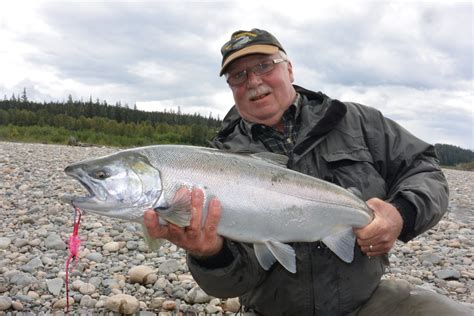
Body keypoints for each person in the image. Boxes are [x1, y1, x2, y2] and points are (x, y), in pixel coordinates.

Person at [143, 29, 471, 315]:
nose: (254, 81)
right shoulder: (216, 162)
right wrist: (210, 255)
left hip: (369, 303)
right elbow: (232, 283)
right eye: (239, 75)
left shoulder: (356, 121)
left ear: (289, 68)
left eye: (263, 66)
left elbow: (425, 168)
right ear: (231, 87)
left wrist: (400, 215)